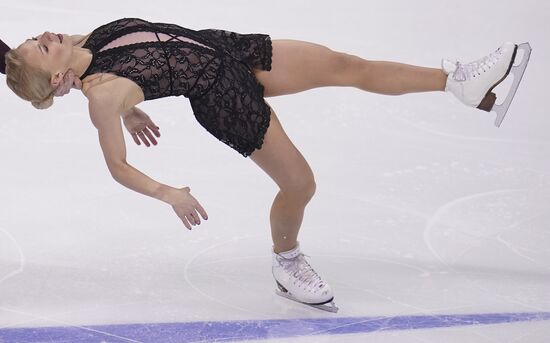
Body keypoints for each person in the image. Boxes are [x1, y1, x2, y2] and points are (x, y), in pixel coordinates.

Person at [1, 17, 530, 312]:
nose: (47, 34)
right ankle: (286, 261)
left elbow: (81, 68)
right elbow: (116, 164)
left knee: (345, 64)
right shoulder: (100, 96)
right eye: (41, 46)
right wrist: (168, 192)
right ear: (55, 78)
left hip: (226, 49)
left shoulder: (82, 44)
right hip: (222, 98)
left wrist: (129, 105)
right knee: (300, 184)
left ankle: (459, 82)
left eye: (38, 35)